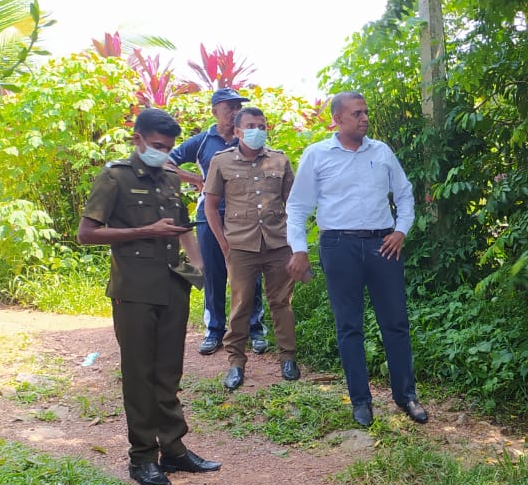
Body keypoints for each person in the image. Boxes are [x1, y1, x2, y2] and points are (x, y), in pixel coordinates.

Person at [76, 108, 221, 485]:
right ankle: (142, 457)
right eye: (157, 145)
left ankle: (173, 450)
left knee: (168, 372)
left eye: (169, 147)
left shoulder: (170, 178)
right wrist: (145, 230)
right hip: (135, 290)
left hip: (173, 286)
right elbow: (86, 233)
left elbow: (183, 229)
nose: (164, 152)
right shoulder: (115, 177)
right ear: (137, 139)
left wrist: (199, 266)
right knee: (139, 375)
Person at [285, 91, 428, 428]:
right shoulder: (317, 155)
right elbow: (298, 206)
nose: (364, 118)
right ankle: (361, 401)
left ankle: (405, 395)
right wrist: (299, 248)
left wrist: (401, 230)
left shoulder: (381, 152)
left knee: (396, 323)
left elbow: (405, 194)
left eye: (366, 112)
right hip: (338, 245)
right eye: (356, 113)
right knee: (349, 326)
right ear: (337, 119)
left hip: (383, 245)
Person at [203, 107, 299, 390]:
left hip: (278, 243)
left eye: (262, 125)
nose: (257, 130)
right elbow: (210, 205)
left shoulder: (279, 161)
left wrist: (296, 242)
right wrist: (223, 242)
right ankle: (235, 362)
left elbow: (293, 204)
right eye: (251, 125)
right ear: (237, 132)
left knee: (281, 302)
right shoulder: (221, 162)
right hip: (240, 245)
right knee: (241, 304)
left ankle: (288, 358)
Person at [168, 87, 267, 356]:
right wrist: (195, 180)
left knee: (250, 272)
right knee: (213, 272)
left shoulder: (247, 139)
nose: (235, 111)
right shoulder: (202, 141)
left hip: (245, 217)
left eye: (238, 106)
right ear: (215, 111)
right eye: (229, 107)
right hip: (209, 215)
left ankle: (255, 328)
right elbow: (166, 163)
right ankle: (214, 331)